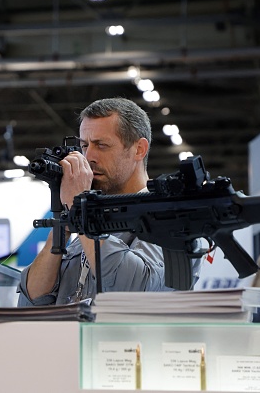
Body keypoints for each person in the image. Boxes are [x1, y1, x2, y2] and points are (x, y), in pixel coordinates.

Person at [18, 97, 180, 307]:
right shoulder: (90, 227)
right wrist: (65, 225)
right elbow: (30, 301)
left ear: (139, 149)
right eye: (84, 145)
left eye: (101, 145)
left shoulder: (170, 215)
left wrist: (81, 208)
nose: (89, 156)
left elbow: (138, 289)